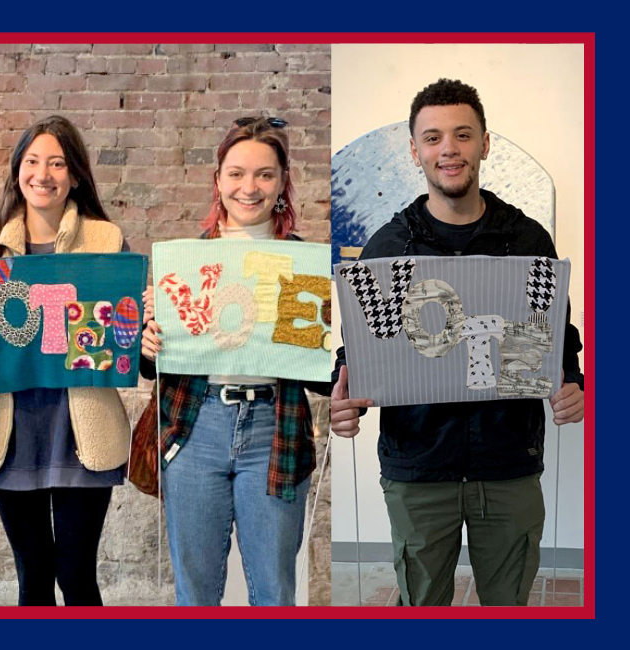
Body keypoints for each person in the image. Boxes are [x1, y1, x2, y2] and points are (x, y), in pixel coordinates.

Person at [330, 78, 585, 606]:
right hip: (420, 466)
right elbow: (364, 349)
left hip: (508, 460)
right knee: (422, 606)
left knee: (506, 604)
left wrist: (573, 382)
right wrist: (342, 394)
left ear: (485, 144)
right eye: (433, 138)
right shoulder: (389, 246)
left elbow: (556, 337)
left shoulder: (526, 240)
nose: (449, 149)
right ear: (415, 150)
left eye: (463, 135)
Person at [138, 117, 329, 606]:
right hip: (195, 426)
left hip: (274, 428)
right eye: (237, 173)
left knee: (274, 589)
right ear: (218, 180)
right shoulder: (187, 259)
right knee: (195, 590)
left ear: (283, 183)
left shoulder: (300, 262)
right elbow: (157, 365)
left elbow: (320, 376)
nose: (250, 187)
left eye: (265, 175)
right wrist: (149, 343)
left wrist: (328, 341)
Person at [0, 115, 128, 606]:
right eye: (33, 161)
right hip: (10, 429)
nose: (44, 174)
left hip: (82, 425)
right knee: (32, 577)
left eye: (57, 162)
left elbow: (121, 327)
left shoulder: (108, 241)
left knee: (77, 575)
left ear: (75, 174)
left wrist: (137, 335)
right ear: (18, 171)